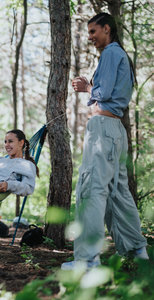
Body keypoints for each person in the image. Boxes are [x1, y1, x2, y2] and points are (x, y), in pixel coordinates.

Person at [61, 13, 148, 270]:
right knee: (118, 192)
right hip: (115, 130)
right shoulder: (120, 55)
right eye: (88, 32)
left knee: (92, 190)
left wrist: (87, 87)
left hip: (103, 129)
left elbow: (104, 92)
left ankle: (88, 260)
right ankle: (137, 250)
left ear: (107, 29)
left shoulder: (110, 53)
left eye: (93, 31)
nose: (90, 37)